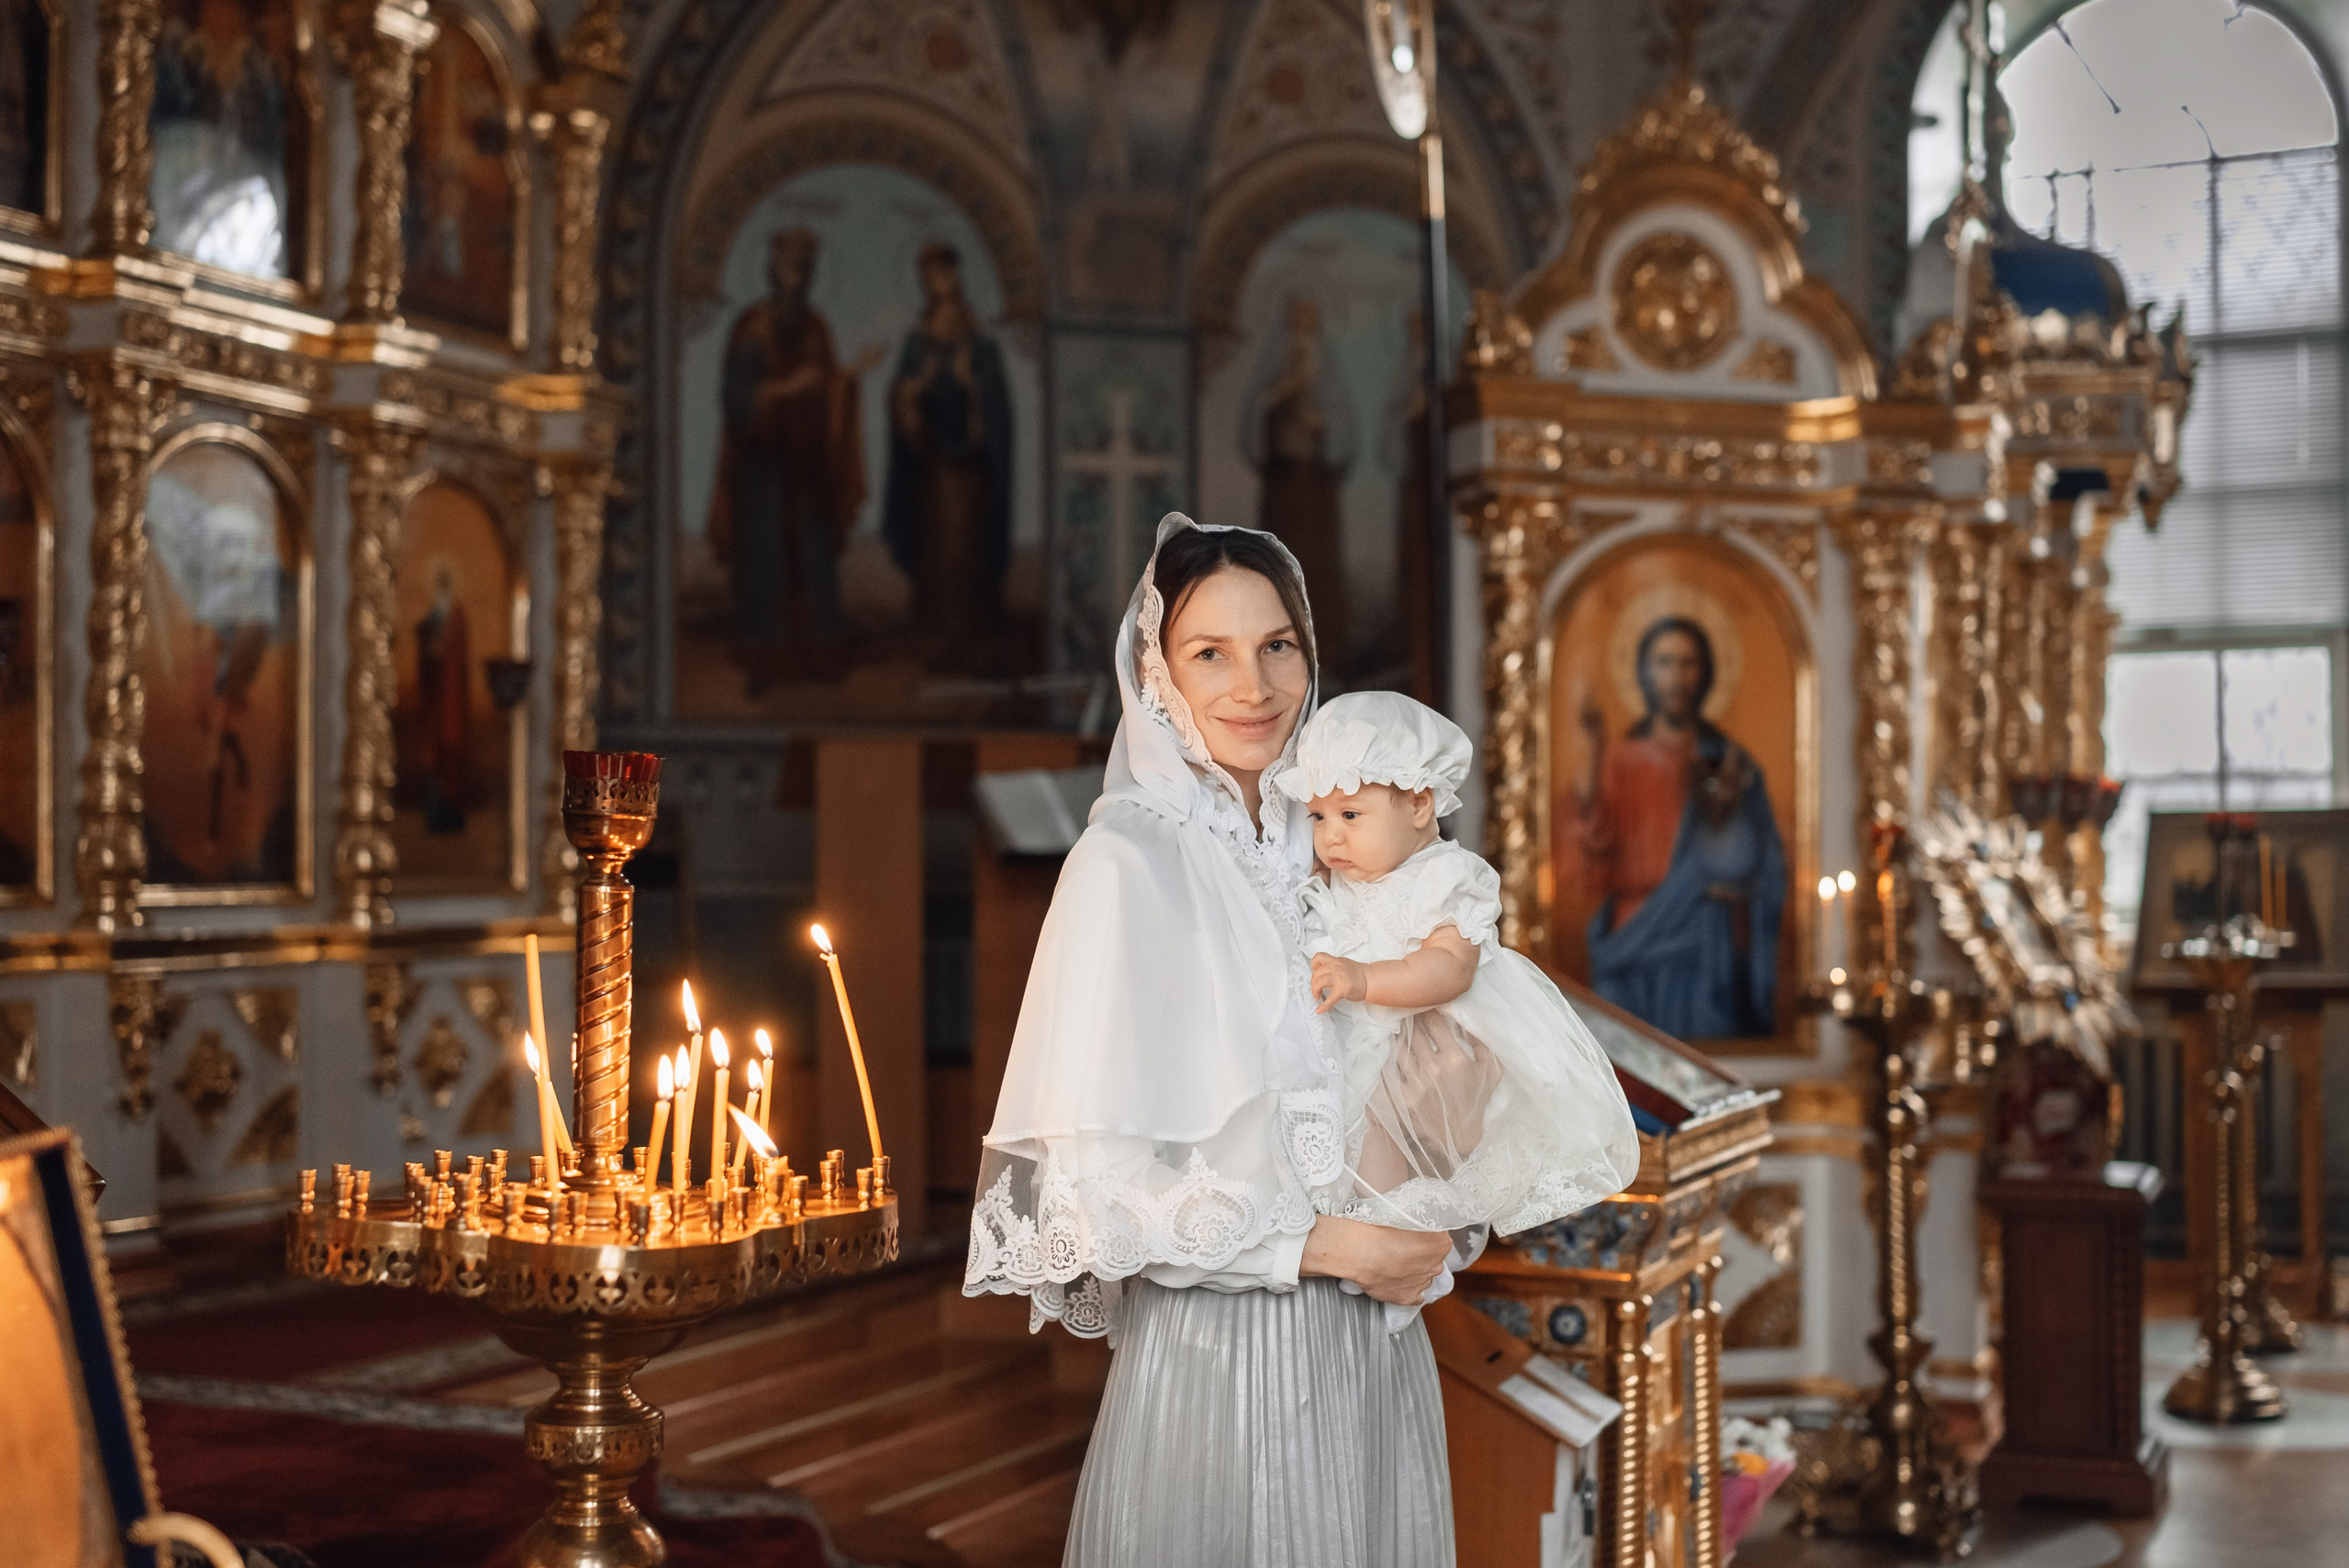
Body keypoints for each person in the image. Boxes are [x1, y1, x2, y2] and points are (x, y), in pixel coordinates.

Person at [966, 514, 1457, 1567]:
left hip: (1374, 1356)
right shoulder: (1121, 865)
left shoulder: (1347, 851)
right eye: (1210, 652)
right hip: (1225, 1367)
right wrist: (1326, 1246)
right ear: (1158, 674)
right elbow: (1086, 1197)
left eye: (1278, 644)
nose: (1255, 684)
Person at [1282, 691, 1641, 1331]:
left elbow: (1450, 967)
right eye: (1316, 815)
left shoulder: (1443, 877)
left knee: (1394, 1170)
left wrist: (1364, 978)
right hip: (1365, 1044)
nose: (1330, 835)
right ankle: (1372, 1264)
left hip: (1426, 1036)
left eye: (1350, 812)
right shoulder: (1344, 877)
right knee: (1350, 1164)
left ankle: (1401, 1268)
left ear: (1420, 803)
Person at [1568, 616, 1787, 1039]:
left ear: (1706, 673)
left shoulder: (1731, 764)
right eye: (1664, 662)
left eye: (1688, 663)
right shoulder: (1618, 759)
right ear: (1644, 673)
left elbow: (1763, 862)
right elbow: (1594, 844)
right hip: (1633, 933)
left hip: (1704, 942)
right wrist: (1594, 753)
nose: (1676, 676)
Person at [707, 228, 876, 689]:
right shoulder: (753, 328)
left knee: (814, 558)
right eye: (789, 265)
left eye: (804, 268)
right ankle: (765, 660)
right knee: (766, 559)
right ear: (773, 269)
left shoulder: (816, 328)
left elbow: (825, 387)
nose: (797, 276)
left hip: (807, 469)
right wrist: (785, 390)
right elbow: (737, 399)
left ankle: (821, 656)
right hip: (761, 468)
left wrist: (847, 380)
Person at [883, 241, 1014, 671]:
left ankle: (967, 637)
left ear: (955, 276)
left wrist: (970, 384)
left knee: (964, 551)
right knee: (934, 552)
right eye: (930, 275)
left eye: (944, 272)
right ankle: (934, 634)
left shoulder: (979, 344)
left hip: (968, 473)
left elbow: (996, 409)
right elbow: (901, 396)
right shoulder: (919, 343)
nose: (938, 282)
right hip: (931, 467)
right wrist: (912, 392)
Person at [1243, 294, 1353, 671]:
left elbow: (1342, 431)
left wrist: (1319, 421)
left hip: (1316, 492)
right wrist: (1282, 392)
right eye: (1297, 324)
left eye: (1309, 325)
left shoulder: (1326, 377)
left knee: (1316, 574)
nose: (1302, 334)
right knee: (1277, 574)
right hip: (1283, 488)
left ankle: (1328, 659)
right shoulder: (1277, 372)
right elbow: (1255, 420)